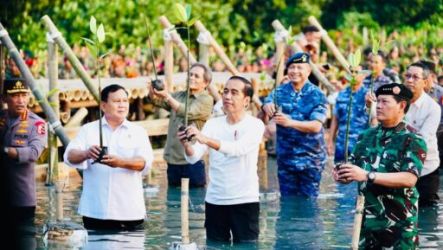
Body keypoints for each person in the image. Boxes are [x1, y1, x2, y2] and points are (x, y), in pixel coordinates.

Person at [334, 83, 427, 249]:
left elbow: (409, 178)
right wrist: (343, 174)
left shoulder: (412, 138)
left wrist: (367, 175)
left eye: (385, 102)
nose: (378, 106)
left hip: (399, 226)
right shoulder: (366, 136)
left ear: (402, 105)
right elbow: (355, 167)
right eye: (378, 101)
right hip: (366, 224)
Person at [178, 76, 265, 243]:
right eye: (225, 91)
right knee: (215, 246)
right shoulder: (213, 124)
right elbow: (193, 157)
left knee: (246, 247)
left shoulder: (255, 125)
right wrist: (186, 145)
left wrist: (205, 139)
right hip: (215, 200)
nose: (227, 96)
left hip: (244, 200)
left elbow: (238, 149)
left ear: (246, 100)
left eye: (234, 93)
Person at [64, 84, 153, 230]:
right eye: (117, 101)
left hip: (129, 211)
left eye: (125, 101)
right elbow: (69, 156)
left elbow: (145, 163)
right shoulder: (89, 130)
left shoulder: (138, 132)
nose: (122, 105)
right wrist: (86, 153)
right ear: (104, 106)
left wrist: (120, 162)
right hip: (95, 211)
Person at [262, 52, 328, 197]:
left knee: (309, 202)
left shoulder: (317, 95)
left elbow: (316, 126)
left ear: (308, 71)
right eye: (292, 67)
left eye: (299, 68)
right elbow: (267, 101)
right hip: (286, 157)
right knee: (287, 200)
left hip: (310, 159)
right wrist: (267, 105)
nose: (295, 71)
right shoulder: (280, 91)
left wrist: (289, 122)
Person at [148, 63, 213, 187]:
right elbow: (157, 101)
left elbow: (187, 112)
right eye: (190, 74)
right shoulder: (179, 95)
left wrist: (167, 96)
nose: (191, 78)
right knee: (174, 202)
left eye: (196, 76)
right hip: (172, 160)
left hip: (192, 161)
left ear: (205, 83)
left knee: (195, 201)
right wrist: (153, 92)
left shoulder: (206, 99)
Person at [0, 79, 46, 246]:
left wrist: (5, 150)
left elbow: (33, 153)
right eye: (15, 96)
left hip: (21, 200)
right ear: (4, 98)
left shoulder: (37, 124)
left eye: (24, 95)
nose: (21, 100)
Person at [403, 62, 441, 207]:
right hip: (401, 168)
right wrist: (370, 107)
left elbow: (421, 141)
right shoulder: (398, 101)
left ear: (425, 82)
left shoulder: (433, 108)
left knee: (427, 213)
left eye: (415, 77)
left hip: (425, 169)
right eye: (407, 76)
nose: (410, 80)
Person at [328, 68, 372, 163]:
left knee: (359, 176)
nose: (353, 74)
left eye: (356, 72)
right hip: (342, 145)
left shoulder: (368, 95)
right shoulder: (341, 94)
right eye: (351, 72)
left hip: (361, 146)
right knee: (340, 175)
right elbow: (335, 119)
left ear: (363, 75)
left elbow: (374, 120)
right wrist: (330, 141)